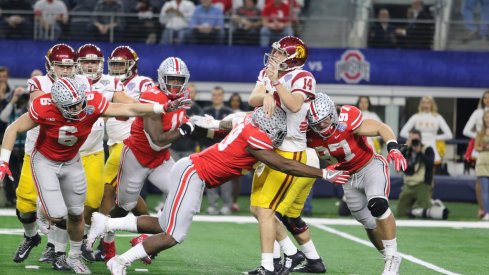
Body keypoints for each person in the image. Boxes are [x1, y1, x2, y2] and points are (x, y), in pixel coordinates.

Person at [86, 107, 349, 275]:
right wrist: (323, 172)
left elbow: (222, 128)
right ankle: (119, 261)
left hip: (191, 171)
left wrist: (204, 124)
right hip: (194, 174)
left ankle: (106, 221)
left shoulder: (246, 122)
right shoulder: (257, 137)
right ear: (269, 126)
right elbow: (283, 163)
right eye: (277, 131)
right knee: (175, 235)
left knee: (164, 224)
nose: (278, 135)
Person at [0, 77, 188, 274]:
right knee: (56, 215)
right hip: (45, 161)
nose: (78, 109)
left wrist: (163, 107)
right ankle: (42, 205)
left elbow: (129, 109)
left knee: (76, 213)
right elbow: (13, 128)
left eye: (80, 103)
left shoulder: (91, 102)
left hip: (72, 160)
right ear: (57, 104)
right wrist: (3, 161)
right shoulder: (44, 106)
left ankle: (73, 257)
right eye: (71, 107)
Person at [99, 57, 193, 264]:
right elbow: (157, 141)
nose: (175, 84)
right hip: (137, 156)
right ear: (162, 78)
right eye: (171, 79)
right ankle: (105, 237)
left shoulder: (182, 97)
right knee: (124, 205)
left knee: (180, 190)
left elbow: (177, 124)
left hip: (160, 159)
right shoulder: (153, 96)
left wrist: (205, 124)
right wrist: (187, 128)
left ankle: (148, 237)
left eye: (179, 80)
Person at [307, 93, 407, 275]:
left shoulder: (347, 118)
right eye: (317, 123)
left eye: (325, 119)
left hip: (369, 167)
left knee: (378, 205)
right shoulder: (308, 132)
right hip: (348, 178)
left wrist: (393, 147)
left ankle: (392, 258)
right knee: (369, 223)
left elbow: (379, 127)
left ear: (332, 111)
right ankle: (389, 257)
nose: (322, 125)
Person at [247, 36, 323, 274]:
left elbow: (293, 105)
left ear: (292, 57)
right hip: (270, 148)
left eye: (280, 53)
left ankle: (271, 265)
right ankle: (292, 254)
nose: (274, 56)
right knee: (257, 209)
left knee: (268, 210)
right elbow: (253, 98)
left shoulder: (303, 77)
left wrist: (275, 86)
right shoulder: (268, 71)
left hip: (292, 150)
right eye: (275, 52)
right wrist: (267, 94)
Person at [11, 43, 84, 265]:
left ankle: (59, 252)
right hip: (36, 152)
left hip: (66, 154)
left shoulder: (82, 83)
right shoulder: (39, 83)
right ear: (50, 65)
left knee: (60, 207)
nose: (65, 70)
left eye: (69, 66)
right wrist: (69, 96)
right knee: (24, 205)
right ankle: (31, 236)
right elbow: (39, 102)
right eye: (60, 66)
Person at [97, 45, 155, 261]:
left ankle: (105, 242)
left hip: (130, 142)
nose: (118, 68)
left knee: (107, 191)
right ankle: (146, 236)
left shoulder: (143, 83)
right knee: (127, 196)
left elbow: (149, 108)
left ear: (132, 65)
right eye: (114, 64)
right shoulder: (107, 82)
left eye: (122, 64)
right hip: (114, 142)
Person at [397, 129, 448, 220]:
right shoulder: (406, 150)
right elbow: (399, 166)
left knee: (426, 210)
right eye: (411, 139)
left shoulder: (427, 149)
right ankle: (416, 207)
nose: (413, 142)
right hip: (408, 185)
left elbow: (430, 164)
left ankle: (433, 203)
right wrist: (405, 149)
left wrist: (419, 152)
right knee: (401, 212)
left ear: (420, 139)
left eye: (415, 139)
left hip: (422, 184)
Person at [202, 86, 234, 215]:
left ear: (223, 96)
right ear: (211, 96)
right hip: (209, 150)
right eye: (214, 95)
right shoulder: (205, 111)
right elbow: (201, 131)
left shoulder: (230, 112)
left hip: (226, 150)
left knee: (226, 180)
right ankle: (213, 205)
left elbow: (233, 132)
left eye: (219, 95)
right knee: (210, 179)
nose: (216, 97)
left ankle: (227, 204)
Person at [399, 96, 452, 169]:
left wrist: (435, 138)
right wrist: (415, 137)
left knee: (431, 172)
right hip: (418, 147)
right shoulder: (416, 117)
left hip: (433, 148)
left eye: (428, 103)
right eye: (423, 103)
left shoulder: (438, 117)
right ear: (421, 104)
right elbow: (403, 132)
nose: (426, 105)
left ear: (432, 104)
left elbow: (449, 135)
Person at [0, 86, 29, 207]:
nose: (20, 98)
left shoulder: (28, 108)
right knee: (10, 174)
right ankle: (11, 199)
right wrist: (13, 100)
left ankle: (24, 198)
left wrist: (27, 98)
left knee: (25, 175)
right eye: (18, 95)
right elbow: (2, 117)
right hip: (12, 148)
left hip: (25, 147)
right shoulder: (10, 108)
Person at [463, 90, 489, 218]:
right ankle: (483, 208)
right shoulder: (478, 113)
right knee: (480, 181)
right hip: (481, 150)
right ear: (482, 100)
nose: (487, 100)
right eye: (485, 98)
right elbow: (466, 130)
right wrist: (480, 137)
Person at [474, 111, 489, 220]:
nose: (487, 119)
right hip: (482, 162)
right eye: (486, 117)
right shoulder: (480, 132)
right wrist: (484, 148)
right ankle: (487, 212)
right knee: (484, 190)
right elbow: (476, 147)